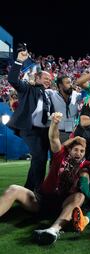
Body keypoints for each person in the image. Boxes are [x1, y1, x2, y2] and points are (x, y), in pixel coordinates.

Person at [0, 112, 88, 245]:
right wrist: (54, 123)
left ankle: (53, 230)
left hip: (62, 205)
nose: (78, 153)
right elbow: (53, 138)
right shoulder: (60, 155)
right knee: (13, 189)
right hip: (41, 201)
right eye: (76, 149)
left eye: (82, 151)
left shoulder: (86, 165)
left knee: (80, 196)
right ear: (69, 150)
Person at [7, 48, 53, 191]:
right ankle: (37, 190)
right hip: (30, 130)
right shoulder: (28, 88)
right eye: (45, 78)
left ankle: (29, 188)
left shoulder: (48, 94)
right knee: (39, 157)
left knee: (40, 159)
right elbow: (12, 79)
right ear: (37, 78)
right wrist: (19, 60)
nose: (48, 81)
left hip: (44, 131)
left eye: (50, 80)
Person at [48, 75, 82, 142]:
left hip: (73, 132)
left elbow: (87, 95)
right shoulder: (52, 94)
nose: (71, 85)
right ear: (60, 86)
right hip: (58, 133)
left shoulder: (76, 95)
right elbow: (40, 91)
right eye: (68, 83)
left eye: (71, 82)